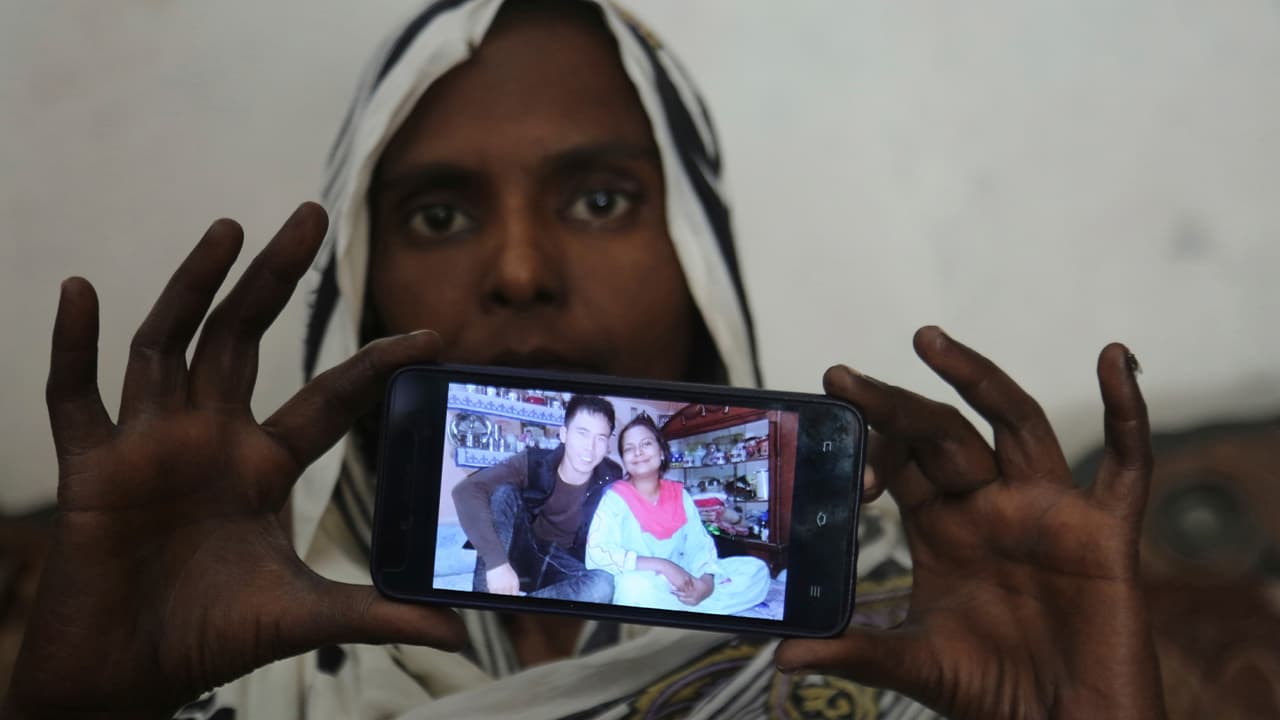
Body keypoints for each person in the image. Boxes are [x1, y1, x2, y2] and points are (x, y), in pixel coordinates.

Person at [5, 1, 1167, 718]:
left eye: (599, 198)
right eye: (438, 216)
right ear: (362, 275)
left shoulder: (913, 630)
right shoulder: (237, 634)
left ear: (698, 253)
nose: (518, 269)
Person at [586, 414, 770, 614]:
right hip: (647, 582)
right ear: (624, 459)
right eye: (629, 448)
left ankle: (690, 604)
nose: (638, 452)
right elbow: (597, 552)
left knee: (756, 569)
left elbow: (699, 545)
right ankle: (690, 607)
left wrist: (706, 585)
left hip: (685, 577)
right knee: (633, 589)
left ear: (661, 452)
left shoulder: (680, 494)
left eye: (646, 444)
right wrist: (663, 566)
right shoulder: (614, 498)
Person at [451, 395, 621, 602]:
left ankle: (515, 612)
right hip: (516, 549)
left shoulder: (611, 476)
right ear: (564, 434)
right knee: (503, 493)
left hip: (560, 564)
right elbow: (466, 490)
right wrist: (497, 563)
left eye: (600, 438)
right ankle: (482, 602)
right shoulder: (533, 462)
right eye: (582, 433)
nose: (590, 447)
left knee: (603, 584)